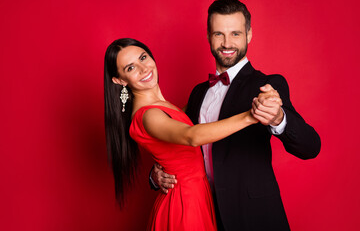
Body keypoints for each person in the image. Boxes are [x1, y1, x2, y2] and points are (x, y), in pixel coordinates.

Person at [150, 0, 321, 231]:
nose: (226, 42)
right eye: (219, 34)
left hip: (254, 218)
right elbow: (180, 145)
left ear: (249, 35)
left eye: (235, 34)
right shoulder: (198, 92)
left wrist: (279, 118)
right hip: (203, 213)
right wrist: (156, 174)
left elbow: (310, 147)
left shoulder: (267, 84)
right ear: (209, 36)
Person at [104, 38, 273, 230]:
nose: (144, 68)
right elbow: (191, 136)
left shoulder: (163, 107)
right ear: (120, 80)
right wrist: (251, 116)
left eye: (143, 57)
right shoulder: (148, 114)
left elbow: (197, 115)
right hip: (185, 203)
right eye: (130, 68)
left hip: (197, 195)